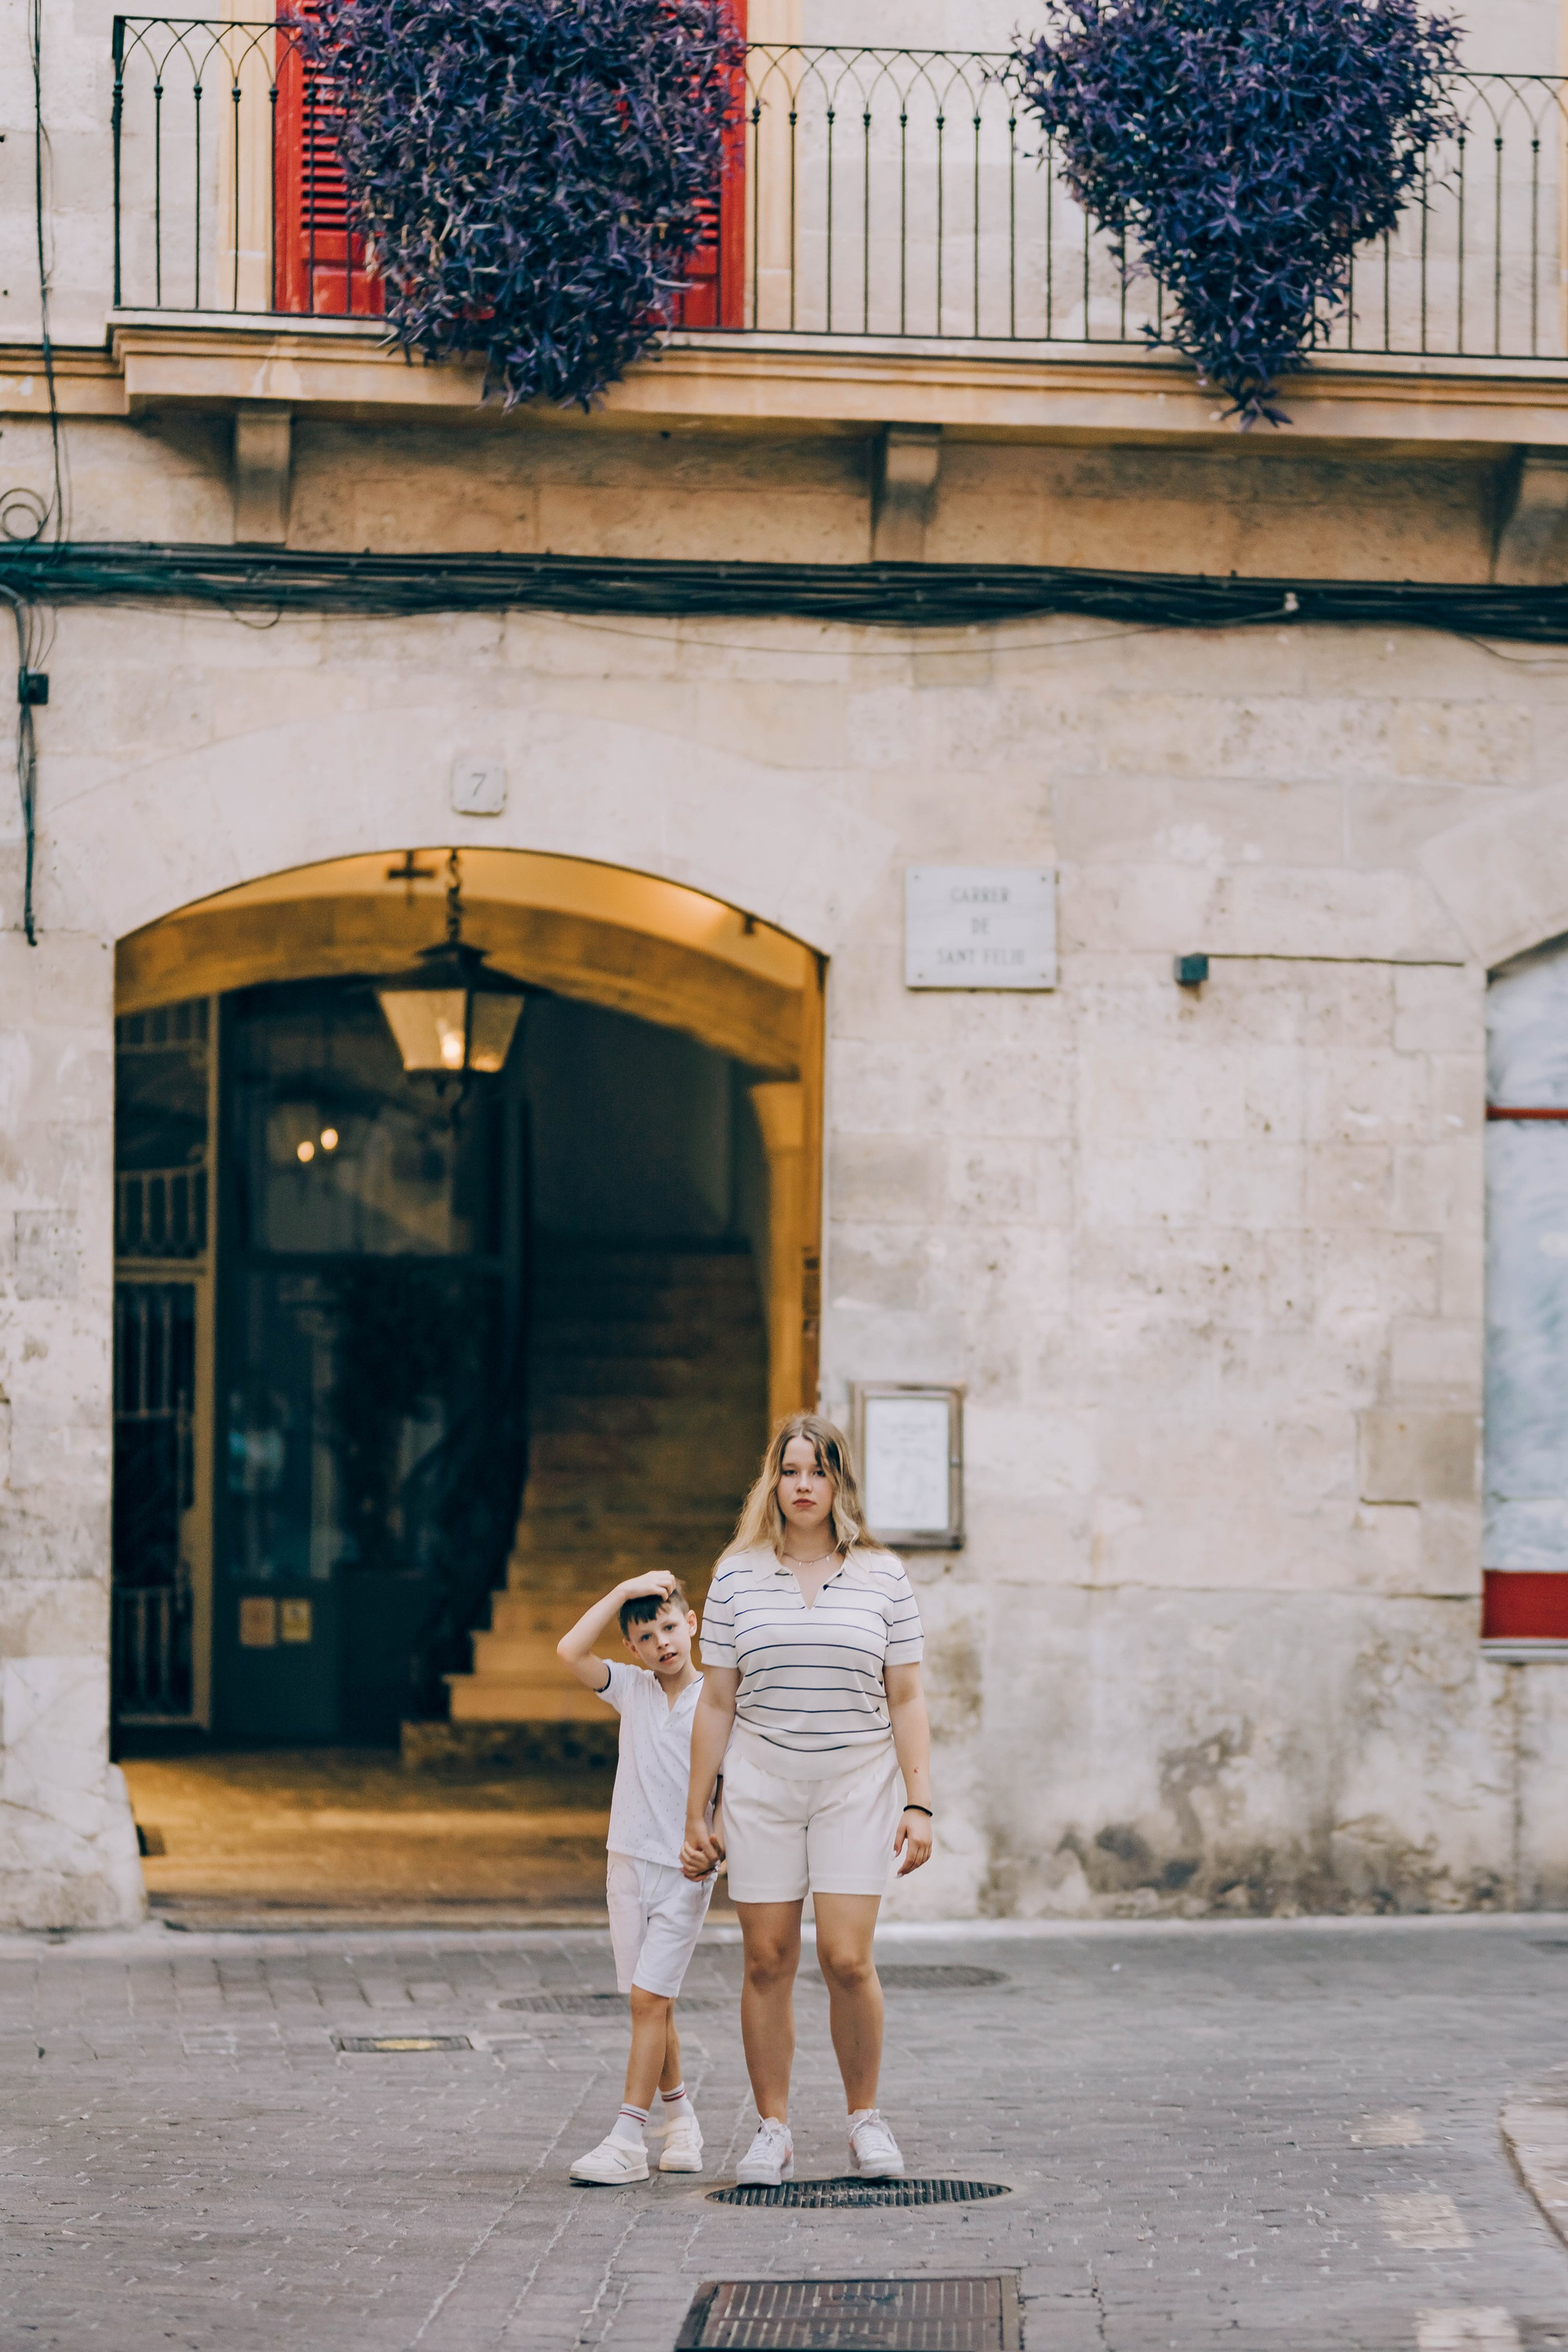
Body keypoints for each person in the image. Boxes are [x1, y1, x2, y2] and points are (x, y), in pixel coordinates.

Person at [680, 1413, 933, 2188]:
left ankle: (864, 2120)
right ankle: (773, 2130)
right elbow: (716, 1701)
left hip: (857, 1784)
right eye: (790, 1470)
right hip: (761, 1784)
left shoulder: (884, 1576)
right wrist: (698, 1810)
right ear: (773, 1481)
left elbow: (907, 1696)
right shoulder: (736, 1575)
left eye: (817, 1471)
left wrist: (920, 1803)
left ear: (838, 1482)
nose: (802, 1485)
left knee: (847, 1959)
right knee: (767, 1960)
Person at [556, 1570, 719, 2185]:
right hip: (625, 1863)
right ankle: (681, 2121)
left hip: (683, 1872)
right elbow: (569, 1651)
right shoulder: (631, 1688)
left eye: (670, 1627)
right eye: (646, 1637)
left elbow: (733, 1789)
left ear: (692, 1623)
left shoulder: (718, 1700)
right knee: (651, 2001)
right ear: (632, 1647)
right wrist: (623, 1591)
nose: (662, 1643)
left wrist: (716, 1846)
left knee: (650, 2000)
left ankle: (627, 2139)